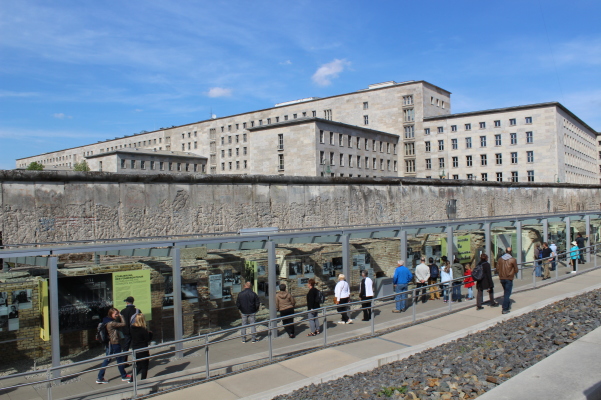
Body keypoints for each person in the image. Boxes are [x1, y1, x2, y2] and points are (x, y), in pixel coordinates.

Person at [96, 308, 130, 384]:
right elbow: (124, 324)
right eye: (116, 314)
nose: (117, 315)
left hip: (110, 343)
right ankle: (124, 376)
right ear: (111, 314)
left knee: (108, 359)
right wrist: (121, 316)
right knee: (118, 360)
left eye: (118, 313)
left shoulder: (106, 320)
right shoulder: (111, 323)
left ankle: (100, 377)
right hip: (114, 343)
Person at [129, 312, 152, 382]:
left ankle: (132, 380)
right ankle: (143, 381)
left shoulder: (132, 328)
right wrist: (150, 334)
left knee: (138, 365)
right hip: (143, 349)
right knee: (145, 366)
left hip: (135, 348)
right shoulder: (143, 329)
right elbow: (147, 339)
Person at [497, 247, 518, 314]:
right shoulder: (513, 260)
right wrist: (512, 272)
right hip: (509, 278)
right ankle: (505, 308)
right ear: (511, 252)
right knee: (507, 293)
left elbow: (497, 268)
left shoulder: (500, 259)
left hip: (502, 277)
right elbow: (516, 270)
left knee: (506, 291)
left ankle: (507, 305)